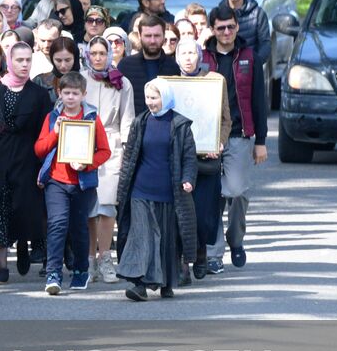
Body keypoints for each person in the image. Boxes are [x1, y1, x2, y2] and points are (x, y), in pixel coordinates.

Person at [0, 43, 51, 282]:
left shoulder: (39, 94)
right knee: (0, 209)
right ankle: (3, 266)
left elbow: (44, 130)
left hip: (27, 157)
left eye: (28, 60)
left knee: (24, 208)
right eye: (19, 60)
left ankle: (25, 247)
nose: (24, 65)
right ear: (10, 61)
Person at [115, 80, 197, 301]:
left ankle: (166, 283)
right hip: (140, 190)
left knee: (166, 239)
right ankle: (139, 285)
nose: (150, 102)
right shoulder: (140, 122)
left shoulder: (180, 125)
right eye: (148, 98)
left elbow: (189, 158)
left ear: (166, 98)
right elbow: (130, 156)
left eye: (155, 98)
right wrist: (122, 188)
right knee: (141, 236)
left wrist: (188, 179)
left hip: (169, 193)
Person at [202, 3, 268, 273]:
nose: (226, 31)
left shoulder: (249, 57)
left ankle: (236, 239)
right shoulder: (203, 57)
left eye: (231, 26)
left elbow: (259, 100)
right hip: (208, 136)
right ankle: (214, 253)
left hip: (240, 134)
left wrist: (261, 140)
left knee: (237, 192)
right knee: (213, 195)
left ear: (237, 27)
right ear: (212, 29)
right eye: (221, 27)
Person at [34, 71, 111, 293]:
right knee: (57, 225)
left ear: (83, 94)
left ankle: (81, 270)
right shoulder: (51, 118)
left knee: (79, 228)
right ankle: (53, 274)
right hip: (56, 181)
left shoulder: (92, 118)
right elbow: (39, 149)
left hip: (82, 183)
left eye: (75, 93)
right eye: (66, 92)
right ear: (59, 92)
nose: (70, 97)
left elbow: (104, 151)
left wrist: (86, 164)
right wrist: (55, 133)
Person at [173, 36, 231, 280]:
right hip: (179, 159)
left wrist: (219, 142)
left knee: (205, 213)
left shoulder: (215, 81)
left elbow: (226, 119)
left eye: (192, 53)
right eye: (183, 53)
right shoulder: (169, 84)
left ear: (200, 55)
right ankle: (184, 261)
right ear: (177, 57)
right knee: (180, 212)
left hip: (207, 158)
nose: (188, 58)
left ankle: (201, 251)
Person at [83, 36, 134, 284]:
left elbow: (128, 119)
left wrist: (125, 151)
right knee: (89, 207)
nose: (98, 57)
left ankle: (105, 256)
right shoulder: (81, 79)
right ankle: (89, 257)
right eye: (93, 53)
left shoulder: (122, 83)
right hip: (84, 145)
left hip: (112, 146)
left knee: (107, 205)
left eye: (103, 52)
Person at [118, 15, 180, 114]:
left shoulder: (173, 66)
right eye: (148, 36)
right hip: (133, 125)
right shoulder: (125, 66)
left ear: (163, 36)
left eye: (157, 35)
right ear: (139, 36)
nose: (152, 41)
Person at [211, 0, 271, 67]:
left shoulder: (258, 14)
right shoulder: (215, 14)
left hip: (250, 68)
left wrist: (255, 63)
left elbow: (265, 44)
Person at [33, 35, 78, 103]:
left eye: (67, 60)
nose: (63, 65)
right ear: (52, 59)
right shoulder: (40, 81)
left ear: (75, 58)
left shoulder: (84, 81)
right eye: (58, 60)